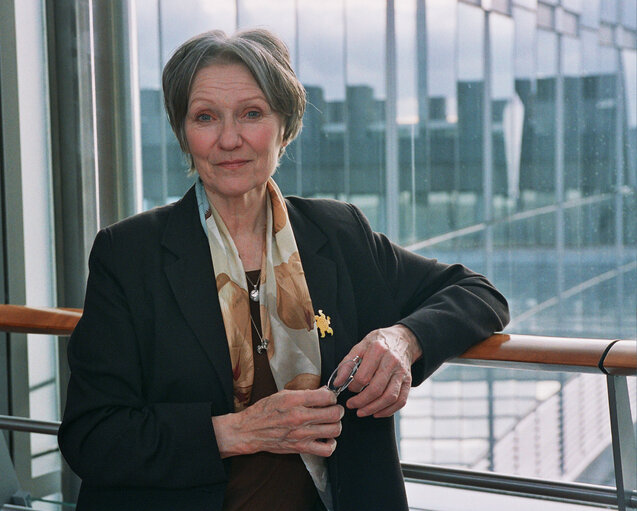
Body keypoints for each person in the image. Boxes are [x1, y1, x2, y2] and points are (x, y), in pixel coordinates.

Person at [58, 28, 509, 511]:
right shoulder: (128, 254)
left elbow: (478, 294)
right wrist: (236, 432)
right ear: (183, 132)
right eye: (205, 117)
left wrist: (402, 339)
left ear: (285, 125)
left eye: (252, 114)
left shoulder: (338, 232)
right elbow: (92, 436)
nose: (229, 139)